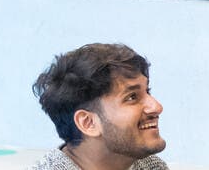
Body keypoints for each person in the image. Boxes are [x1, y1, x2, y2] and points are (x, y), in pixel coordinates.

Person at [31, 43, 169, 170]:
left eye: (147, 91)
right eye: (132, 97)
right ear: (88, 122)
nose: (157, 107)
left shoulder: (151, 167)